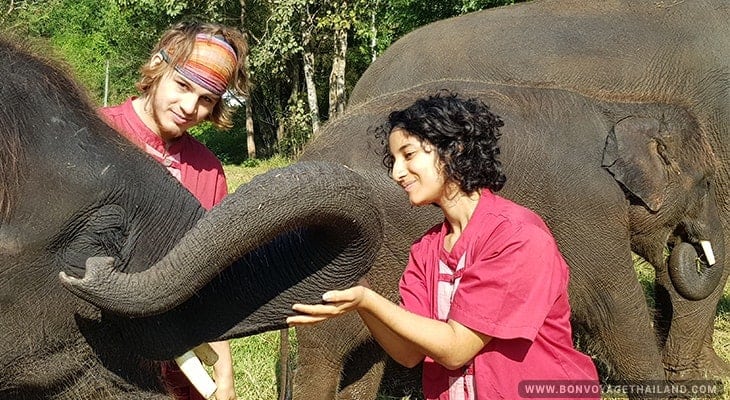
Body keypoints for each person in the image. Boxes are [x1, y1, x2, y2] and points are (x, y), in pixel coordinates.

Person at [286, 92, 599, 399]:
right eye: (393, 160)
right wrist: (359, 298)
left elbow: (456, 349)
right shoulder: (427, 249)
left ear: (454, 150)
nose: (396, 173)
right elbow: (408, 354)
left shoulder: (517, 237)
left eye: (408, 156)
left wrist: (369, 300)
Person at [100, 21, 249, 400]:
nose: (189, 108)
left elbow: (211, 276)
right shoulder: (97, 134)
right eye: (182, 86)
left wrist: (223, 373)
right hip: (95, 361)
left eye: (206, 100)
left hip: (177, 367)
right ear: (157, 66)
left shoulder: (208, 171)